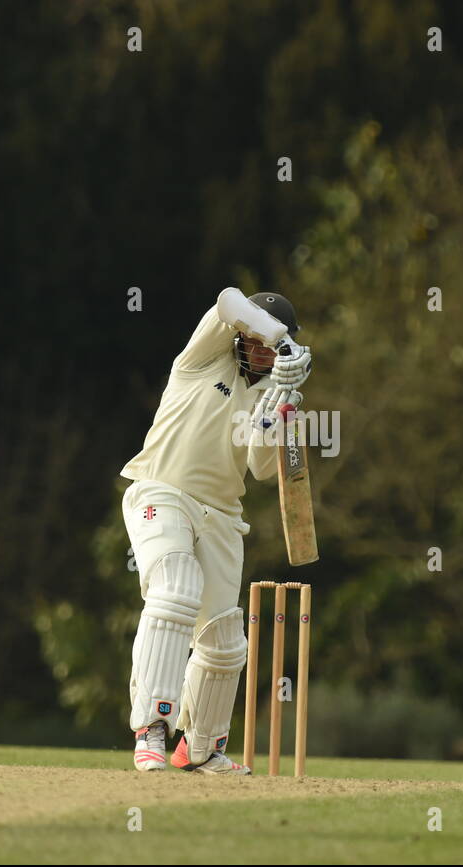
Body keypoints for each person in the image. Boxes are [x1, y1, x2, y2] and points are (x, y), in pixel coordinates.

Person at [120, 288, 312, 774]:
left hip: (224, 514)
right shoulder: (206, 355)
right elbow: (228, 299)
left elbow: (263, 467)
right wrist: (282, 339)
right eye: (263, 341)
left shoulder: (268, 393)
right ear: (247, 336)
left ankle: (198, 748)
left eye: (276, 349)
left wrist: (283, 402)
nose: (267, 352)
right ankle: (151, 729)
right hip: (163, 491)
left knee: (226, 640)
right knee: (174, 590)